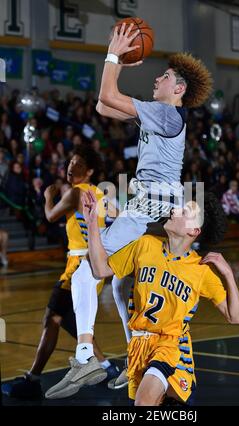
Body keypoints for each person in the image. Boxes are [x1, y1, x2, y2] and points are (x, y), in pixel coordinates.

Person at [45, 22, 213, 397]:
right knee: (121, 285)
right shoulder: (159, 113)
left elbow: (107, 91)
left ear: (179, 89)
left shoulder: (168, 115)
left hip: (154, 206)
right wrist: (119, 65)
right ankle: (136, 356)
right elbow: (103, 104)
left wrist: (116, 55)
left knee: (86, 272)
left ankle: (86, 355)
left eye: (165, 76)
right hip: (153, 206)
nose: (158, 78)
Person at [80, 190, 239, 405]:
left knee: (143, 403)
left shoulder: (199, 271)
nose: (175, 210)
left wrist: (228, 275)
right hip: (139, 346)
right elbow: (100, 269)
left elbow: (235, 317)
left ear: (194, 230)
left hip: (170, 347)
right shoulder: (145, 245)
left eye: (184, 211)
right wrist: (92, 222)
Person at [2, 146, 119, 400]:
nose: (70, 166)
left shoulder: (77, 192)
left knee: (52, 318)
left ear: (88, 171)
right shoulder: (101, 194)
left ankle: (32, 380)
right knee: (69, 320)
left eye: (77, 163)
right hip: (96, 265)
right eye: (70, 161)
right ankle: (105, 367)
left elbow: (50, 217)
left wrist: (46, 196)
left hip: (77, 267)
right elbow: (115, 222)